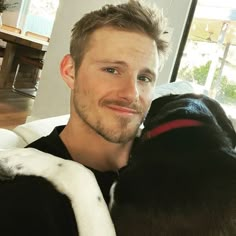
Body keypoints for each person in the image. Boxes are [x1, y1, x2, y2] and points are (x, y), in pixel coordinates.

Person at [0, 1, 169, 235]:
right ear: (70, 71)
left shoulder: (174, 165)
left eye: (145, 78)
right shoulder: (23, 194)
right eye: (111, 70)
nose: (132, 93)